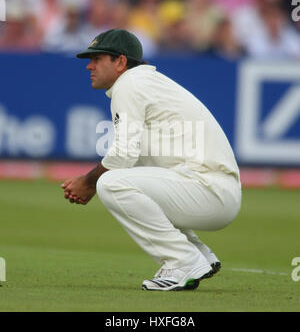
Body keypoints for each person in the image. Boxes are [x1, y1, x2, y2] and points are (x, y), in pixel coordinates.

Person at [61, 28, 242, 291]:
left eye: (97, 59)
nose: (89, 66)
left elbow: (121, 155)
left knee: (111, 183)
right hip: (213, 191)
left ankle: (183, 261)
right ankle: (197, 254)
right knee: (134, 170)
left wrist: (88, 183)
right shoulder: (145, 83)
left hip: (209, 191)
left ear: (121, 62)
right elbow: (132, 157)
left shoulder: (130, 83)